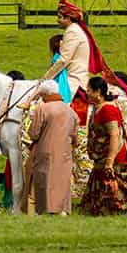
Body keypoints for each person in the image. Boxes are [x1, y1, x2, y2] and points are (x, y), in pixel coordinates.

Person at [79, 76, 127, 216]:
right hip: (100, 161)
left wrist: (109, 162)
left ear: (98, 92)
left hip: (113, 161)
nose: (87, 92)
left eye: (89, 90)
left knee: (112, 199)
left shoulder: (108, 110)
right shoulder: (98, 108)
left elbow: (114, 135)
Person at [19, 87, 77, 215]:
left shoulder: (42, 108)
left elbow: (34, 133)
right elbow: (75, 136)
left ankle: (40, 210)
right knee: (62, 182)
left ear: (46, 94)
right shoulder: (70, 110)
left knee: (41, 181)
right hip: (65, 153)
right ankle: (62, 211)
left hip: (44, 151)